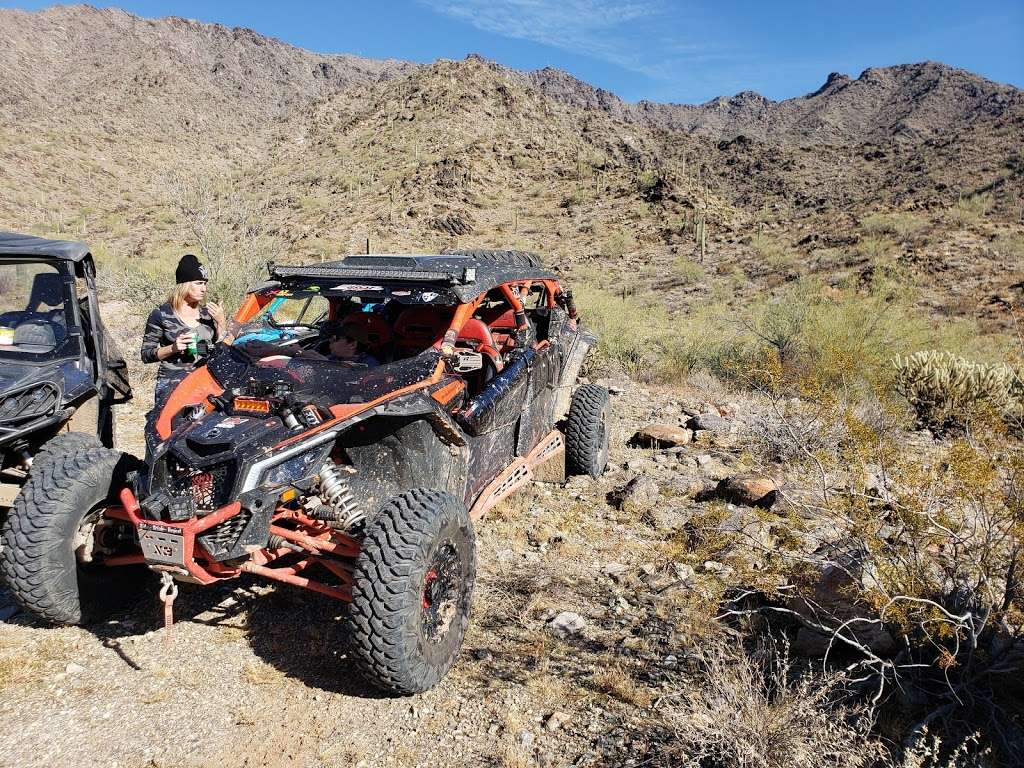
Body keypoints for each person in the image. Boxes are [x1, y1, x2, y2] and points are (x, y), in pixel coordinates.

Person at [140, 254, 228, 453]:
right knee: (163, 432)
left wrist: (221, 322)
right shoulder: (162, 314)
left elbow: (222, 349)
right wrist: (173, 348)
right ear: (184, 284)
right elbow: (146, 354)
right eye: (198, 283)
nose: (204, 288)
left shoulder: (208, 314)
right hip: (172, 382)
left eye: (205, 283)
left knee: (202, 433)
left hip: (205, 383)